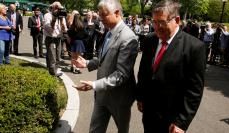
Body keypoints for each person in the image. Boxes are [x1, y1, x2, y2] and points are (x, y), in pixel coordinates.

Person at [136, 1, 205, 133]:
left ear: (177, 20)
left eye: (161, 22)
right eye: (154, 22)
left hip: (172, 120)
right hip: (149, 112)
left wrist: (181, 122)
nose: (156, 27)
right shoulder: (150, 40)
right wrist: (140, 97)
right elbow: (144, 72)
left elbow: (194, 90)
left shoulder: (194, 47)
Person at [72, 0, 138, 132]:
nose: (101, 19)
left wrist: (95, 85)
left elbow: (121, 74)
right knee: (95, 130)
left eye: (104, 15)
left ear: (117, 13)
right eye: (100, 15)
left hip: (120, 98)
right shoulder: (109, 31)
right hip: (102, 96)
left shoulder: (128, 38)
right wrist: (88, 63)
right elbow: (104, 57)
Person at [43, 1, 67, 76]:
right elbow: (49, 29)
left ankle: (55, 71)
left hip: (58, 39)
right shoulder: (47, 15)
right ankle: (52, 73)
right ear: (52, 8)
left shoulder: (62, 16)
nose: (58, 9)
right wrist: (54, 18)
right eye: (56, 7)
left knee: (58, 57)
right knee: (52, 57)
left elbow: (65, 30)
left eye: (59, 8)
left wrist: (62, 20)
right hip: (50, 39)